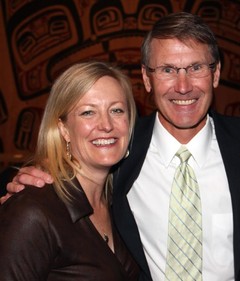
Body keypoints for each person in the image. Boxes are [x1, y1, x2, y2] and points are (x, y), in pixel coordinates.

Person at [3, 13, 240, 281]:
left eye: (196, 67)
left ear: (215, 74)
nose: (183, 86)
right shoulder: (117, 149)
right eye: (167, 70)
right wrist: (19, 180)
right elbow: (65, 178)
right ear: (147, 79)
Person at [0, 61, 140, 280]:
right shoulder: (33, 211)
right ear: (63, 129)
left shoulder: (123, 202)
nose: (106, 125)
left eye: (116, 110)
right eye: (88, 112)